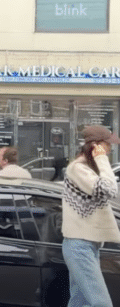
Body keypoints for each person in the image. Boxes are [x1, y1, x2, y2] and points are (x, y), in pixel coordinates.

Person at [62, 125, 120, 307]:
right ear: (96, 146)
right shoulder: (77, 169)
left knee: (79, 302)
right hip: (79, 246)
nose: (110, 149)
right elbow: (110, 189)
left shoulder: (87, 169)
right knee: (101, 303)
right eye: (107, 145)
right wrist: (101, 158)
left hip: (87, 245)